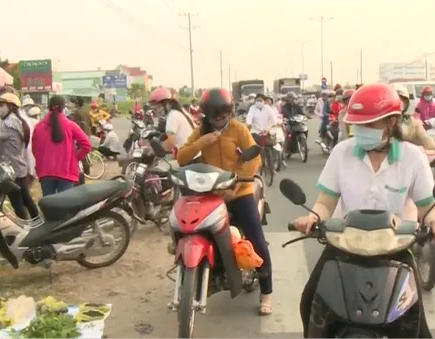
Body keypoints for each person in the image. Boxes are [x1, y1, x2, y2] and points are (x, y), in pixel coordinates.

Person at [292, 83, 435, 338]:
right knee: (308, 301)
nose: (360, 132)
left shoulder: (413, 158)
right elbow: (326, 202)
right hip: (343, 246)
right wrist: (313, 218)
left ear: (392, 123)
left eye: (369, 126)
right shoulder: (341, 153)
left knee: (418, 327)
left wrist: (433, 222)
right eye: (357, 125)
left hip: (395, 248)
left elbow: (427, 207)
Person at [177, 88, 273, 315]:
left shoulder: (238, 129)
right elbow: (181, 157)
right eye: (215, 116)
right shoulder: (201, 132)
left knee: (256, 238)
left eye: (223, 115)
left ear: (229, 112)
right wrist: (202, 142)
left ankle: (267, 292)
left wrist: (236, 186)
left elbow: (253, 158)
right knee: (194, 228)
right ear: (207, 115)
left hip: (239, 191)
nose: (220, 120)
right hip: (211, 193)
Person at [32, 95, 92, 196]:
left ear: (48, 107)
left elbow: (34, 150)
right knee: (64, 205)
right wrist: (75, 158)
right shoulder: (71, 125)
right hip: (66, 171)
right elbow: (87, 145)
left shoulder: (38, 127)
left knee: (49, 204)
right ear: (63, 108)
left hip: (45, 171)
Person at [149, 87, 196, 153]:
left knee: (161, 163)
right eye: (155, 109)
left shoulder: (172, 116)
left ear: (167, 104)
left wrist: (154, 151)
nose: (157, 111)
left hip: (189, 158)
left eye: (159, 107)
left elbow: (170, 144)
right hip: (192, 154)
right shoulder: (179, 112)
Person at [25, 106, 42, 183]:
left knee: (29, 168)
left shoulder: (26, 121)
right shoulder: (38, 122)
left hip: (27, 146)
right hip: (34, 146)